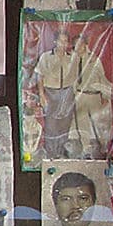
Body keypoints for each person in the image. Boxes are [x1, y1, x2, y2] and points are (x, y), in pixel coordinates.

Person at [34, 30, 77, 158]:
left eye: (65, 41)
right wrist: (42, 94)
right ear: (55, 42)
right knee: (51, 125)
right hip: (51, 92)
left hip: (67, 93)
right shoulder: (46, 57)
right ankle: (51, 154)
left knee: (64, 124)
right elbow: (39, 76)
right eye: (60, 41)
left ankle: (61, 153)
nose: (63, 44)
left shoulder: (72, 58)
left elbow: (76, 77)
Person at [71, 35, 113, 159]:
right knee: (82, 124)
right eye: (76, 44)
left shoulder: (94, 59)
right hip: (80, 96)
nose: (78, 47)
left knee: (98, 123)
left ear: (85, 45)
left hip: (93, 95)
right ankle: (86, 149)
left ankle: (104, 145)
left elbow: (102, 78)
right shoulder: (73, 59)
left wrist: (105, 94)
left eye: (80, 44)